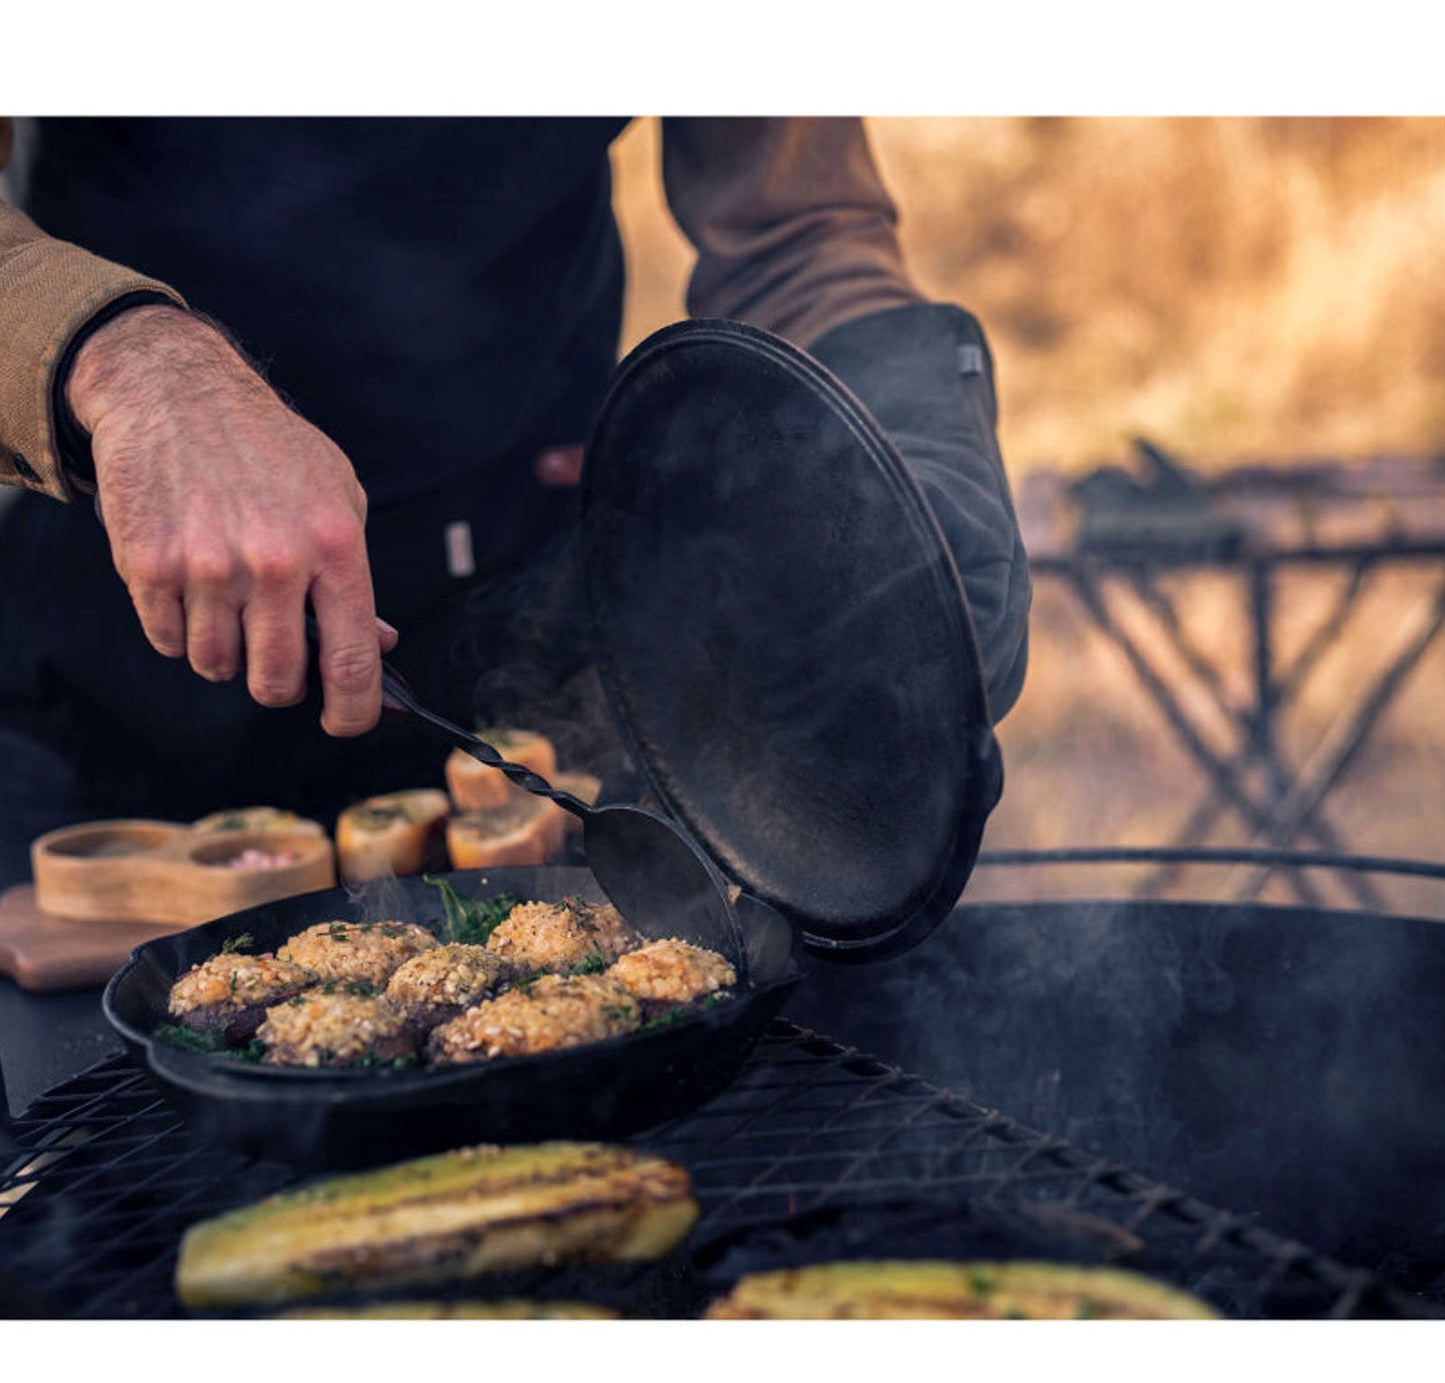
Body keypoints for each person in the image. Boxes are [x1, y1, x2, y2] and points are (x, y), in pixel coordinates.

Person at [0, 118, 1030, 885]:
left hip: (535, 629)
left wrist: (901, 445)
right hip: (127, 660)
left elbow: (798, 232)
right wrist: (133, 367)